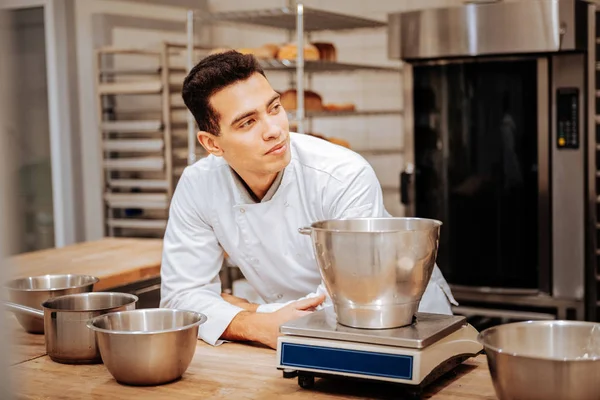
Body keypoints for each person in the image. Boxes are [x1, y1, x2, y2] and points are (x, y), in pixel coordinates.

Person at [160, 51, 457, 349]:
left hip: (408, 325)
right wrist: (256, 325)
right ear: (212, 144)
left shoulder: (342, 175)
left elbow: (352, 302)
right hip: (291, 339)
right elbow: (180, 298)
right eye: (248, 123)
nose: (274, 130)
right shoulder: (198, 185)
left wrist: (248, 313)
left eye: (274, 107)